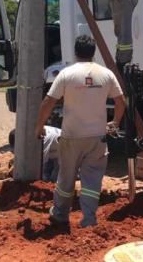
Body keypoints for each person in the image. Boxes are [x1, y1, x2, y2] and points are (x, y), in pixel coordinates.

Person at [35, 35, 125, 227]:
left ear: (76, 52)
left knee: (66, 177)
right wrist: (115, 122)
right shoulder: (106, 74)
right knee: (92, 181)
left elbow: (48, 102)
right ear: (93, 52)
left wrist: (39, 126)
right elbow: (120, 101)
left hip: (71, 136)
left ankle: (60, 215)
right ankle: (89, 220)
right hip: (97, 138)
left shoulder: (67, 74)